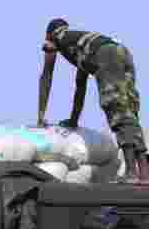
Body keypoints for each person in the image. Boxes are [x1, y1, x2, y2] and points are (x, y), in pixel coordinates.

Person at [38, 18, 149, 183]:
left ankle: (131, 173)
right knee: (129, 113)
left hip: (107, 56)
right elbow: (80, 88)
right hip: (122, 52)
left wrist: (41, 115)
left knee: (117, 110)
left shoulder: (59, 38)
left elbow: (47, 75)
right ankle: (145, 174)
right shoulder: (81, 44)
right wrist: (73, 120)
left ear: (49, 34)